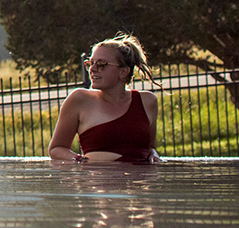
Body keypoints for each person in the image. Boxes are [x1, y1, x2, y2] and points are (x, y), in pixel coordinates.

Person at [48, 33, 160, 164]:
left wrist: (154, 154)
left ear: (123, 72)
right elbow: (56, 149)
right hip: (100, 181)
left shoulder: (147, 101)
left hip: (139, 181)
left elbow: (150, 147)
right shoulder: (79, 99)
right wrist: (80, 160)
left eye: (101, 64)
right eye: (90, 63)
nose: (93, 69)